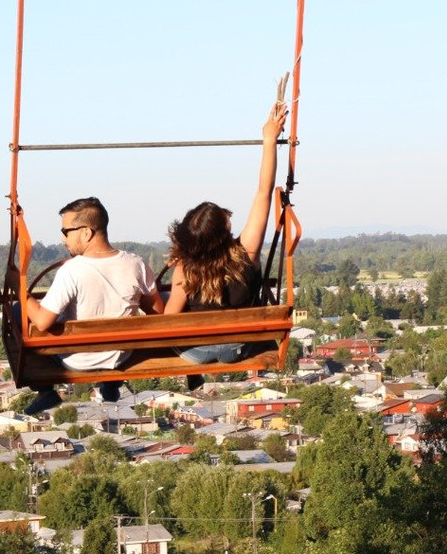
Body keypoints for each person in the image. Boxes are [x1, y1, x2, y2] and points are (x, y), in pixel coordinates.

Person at [164, 102, 286, 389]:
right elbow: (263, 193)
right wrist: (269, 141)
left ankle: (195, 371)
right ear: (224, 231)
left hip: (196, 353)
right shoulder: (247, 253)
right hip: (237, 350)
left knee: (160, 294)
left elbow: (169, 321)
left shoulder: (185, 269)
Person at [23, 196, 164, 413]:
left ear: (86, 232)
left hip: (78, 360)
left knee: (16, 311)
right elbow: (157, 312)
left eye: (66, 232)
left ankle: (44, 389)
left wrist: (20, 295)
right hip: (119, 357)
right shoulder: (136, 264)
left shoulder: (71, 270)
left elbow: (42, 322)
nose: (63, 239)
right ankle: (110, 383)